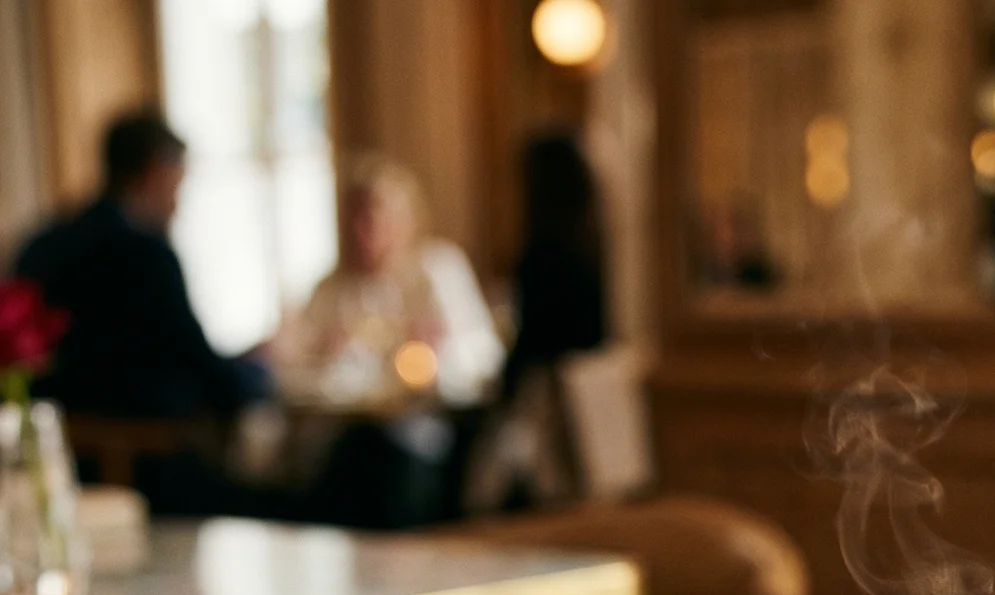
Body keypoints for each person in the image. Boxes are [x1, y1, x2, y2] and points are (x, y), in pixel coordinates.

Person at [275, 155, 502, 527]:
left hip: (423, 435)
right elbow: (296, 372)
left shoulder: (437, 271)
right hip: (346, 437)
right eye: (352, 220)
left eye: (372, 219)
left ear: (405, 221)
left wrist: (439, 353)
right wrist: (319, 351)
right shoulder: (332, 289)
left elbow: (484, 358)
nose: (361, 232)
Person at [14, 111, 270, 419]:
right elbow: (199, 365)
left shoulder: (44, 243)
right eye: (178, 184)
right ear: (156, 171)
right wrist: (259, 376)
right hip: (146, 448)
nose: (178, 203)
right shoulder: (146, 256)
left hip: (57, 442)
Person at [501, 133, 606, 400]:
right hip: (591, 388)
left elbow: (533, 340)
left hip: (557, 394)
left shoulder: (545, 256)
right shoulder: (598, 247)